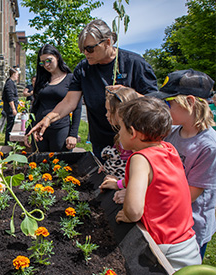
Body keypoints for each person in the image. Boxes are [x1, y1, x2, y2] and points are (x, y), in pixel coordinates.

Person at [27, 19, 158, 161]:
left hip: (134, 142)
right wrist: (48, 119)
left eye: (90, 48)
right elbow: (70, 102)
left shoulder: (134, 63)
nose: (85, 53)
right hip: (101, 140)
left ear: (108, 42)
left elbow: (155, 103)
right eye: (83, 49)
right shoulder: (83, 69)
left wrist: (128, 94)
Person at [109, 97, 201, 270]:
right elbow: (158, 183)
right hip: (187, 243)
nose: (118, 133)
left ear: (133, 132)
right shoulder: (168, 149)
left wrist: (128, 215)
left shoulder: (140, 159)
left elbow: (135, 211)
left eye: (120, 127)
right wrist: (119, 184)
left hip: (164, 249)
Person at [149, 69, 216, 260]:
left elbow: (190, 194)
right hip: (167, 219)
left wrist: (146, 196)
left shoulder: (209, 146)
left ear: (190, 102)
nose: (165, 107)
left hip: (192, 227)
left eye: (169, 103)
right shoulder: (173, 132)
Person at [24, 44, 82, 152]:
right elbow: (35, 108)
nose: (46, 65)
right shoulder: (41, 81)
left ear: (57, 57)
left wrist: (73, 134)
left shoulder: (70, 78)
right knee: (39, 165)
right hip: (40, 130)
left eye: (49, 60)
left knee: (60, 165)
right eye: (42, 62)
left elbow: (77, 108)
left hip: (60, 129)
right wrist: (28, 130)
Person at [99, 86, 141, 204]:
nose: (106, 115)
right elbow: (117, 156)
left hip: (129, 192)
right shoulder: (121, 133)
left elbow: (136, 174)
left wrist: (118, 183)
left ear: (121, 111)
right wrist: (108, 166)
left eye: (110, 111)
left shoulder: (134, 139)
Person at [2, 68, 19, 145]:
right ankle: (8, 142)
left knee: (11, 124)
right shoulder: (9, 83)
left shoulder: (11, 83)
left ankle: (10, 141)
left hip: (11, 106)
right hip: (10, 108)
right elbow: (10, 97)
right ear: (13, 74)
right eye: (17, 75)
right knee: (10, 125)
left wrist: (18, 102)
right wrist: (13, 109)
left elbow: (14, 96)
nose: (17, 77)